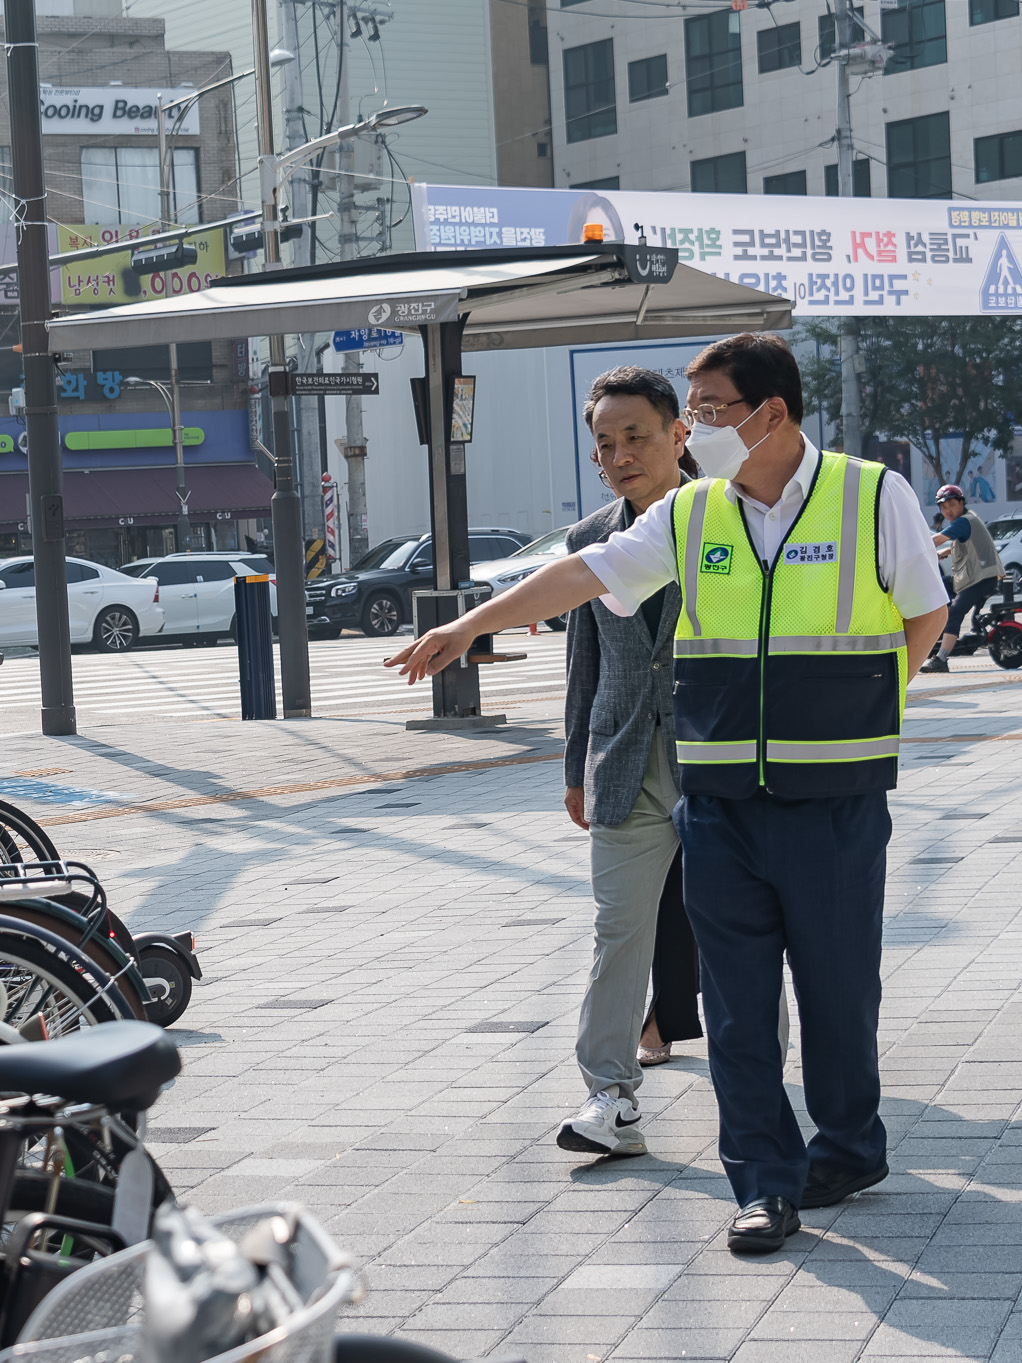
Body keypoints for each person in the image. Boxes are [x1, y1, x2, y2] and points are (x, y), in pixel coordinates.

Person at [392, 333, 949, 1254]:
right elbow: (581, 574)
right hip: (720, 797)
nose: (697, 428)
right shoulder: (691, 513)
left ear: (771, 413)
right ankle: (764, 1183)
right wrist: (468, 621)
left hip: (835, 801)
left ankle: (849, 1146)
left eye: (711, 411)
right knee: (733, 1008)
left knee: (839, 991)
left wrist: (866, 702)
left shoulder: (869, 494)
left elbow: (925, 611)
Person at [555, 366, 700, 1157]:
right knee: (618, 932)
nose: (617, 454)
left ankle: (764, 1087)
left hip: (716, 755)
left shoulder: (731, 521)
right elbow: (585, 661)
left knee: (740, 931)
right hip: (623, 759)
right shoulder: (588, 540)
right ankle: (609, 1095)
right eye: (604, 443)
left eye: (634, 436)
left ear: (679, 433)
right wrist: (576, 760)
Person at [922, 485, 1001, 673]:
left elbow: (937, 539)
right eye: (943, 507)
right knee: (939, 588)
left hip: (981, 579)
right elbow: (967, 542)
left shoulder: (964, 521)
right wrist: (947, 551)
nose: (947, 510)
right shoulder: (966, 520)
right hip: (973, 577)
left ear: (961, 503)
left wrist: (913, 547)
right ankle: (942, 631)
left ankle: (941, 659)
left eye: (951, 505)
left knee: (955, 613)